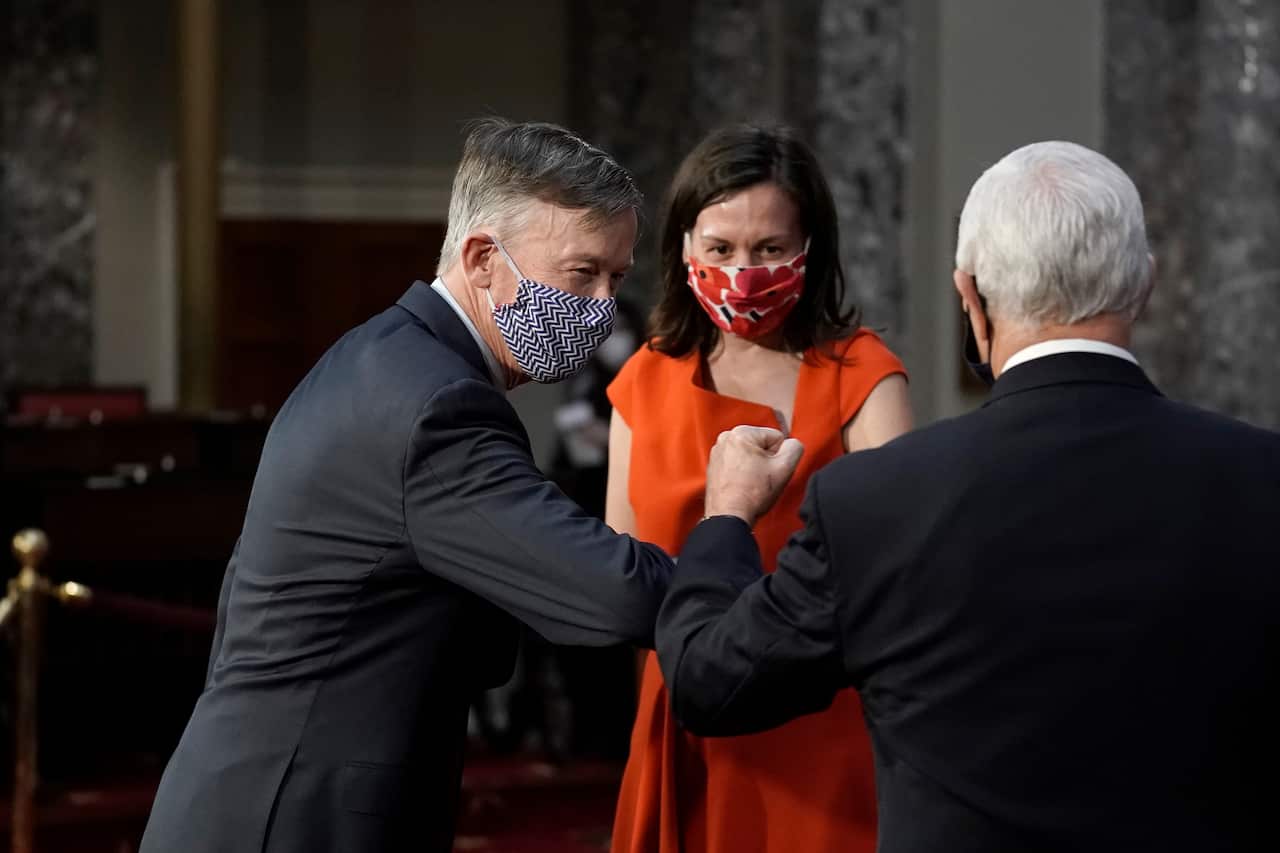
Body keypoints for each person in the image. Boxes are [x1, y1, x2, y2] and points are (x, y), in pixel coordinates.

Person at [655, 140, 1280, 852]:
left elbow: (711, 680)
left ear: (971, 298)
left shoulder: (878, 500)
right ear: (1145, 284)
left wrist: (726, 517)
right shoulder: (1263, 478)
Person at [139, 119, 674, 853]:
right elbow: (614, 594)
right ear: (484, 258)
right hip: (295, 819)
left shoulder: (380, 356)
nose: (602, 307)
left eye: (617, 278)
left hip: (265, 796)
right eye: (583, 274)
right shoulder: (437, 405)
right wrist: (732, 527)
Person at [607, 124, 912, 853]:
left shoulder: (863, 375)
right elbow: (619, 579)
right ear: (684, 250)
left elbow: (907, 568)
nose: (744, 271)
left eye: (770, 249)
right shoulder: (644, 382)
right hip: (681, 709)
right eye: (720, 249)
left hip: (824, 724)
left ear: (811, 250)